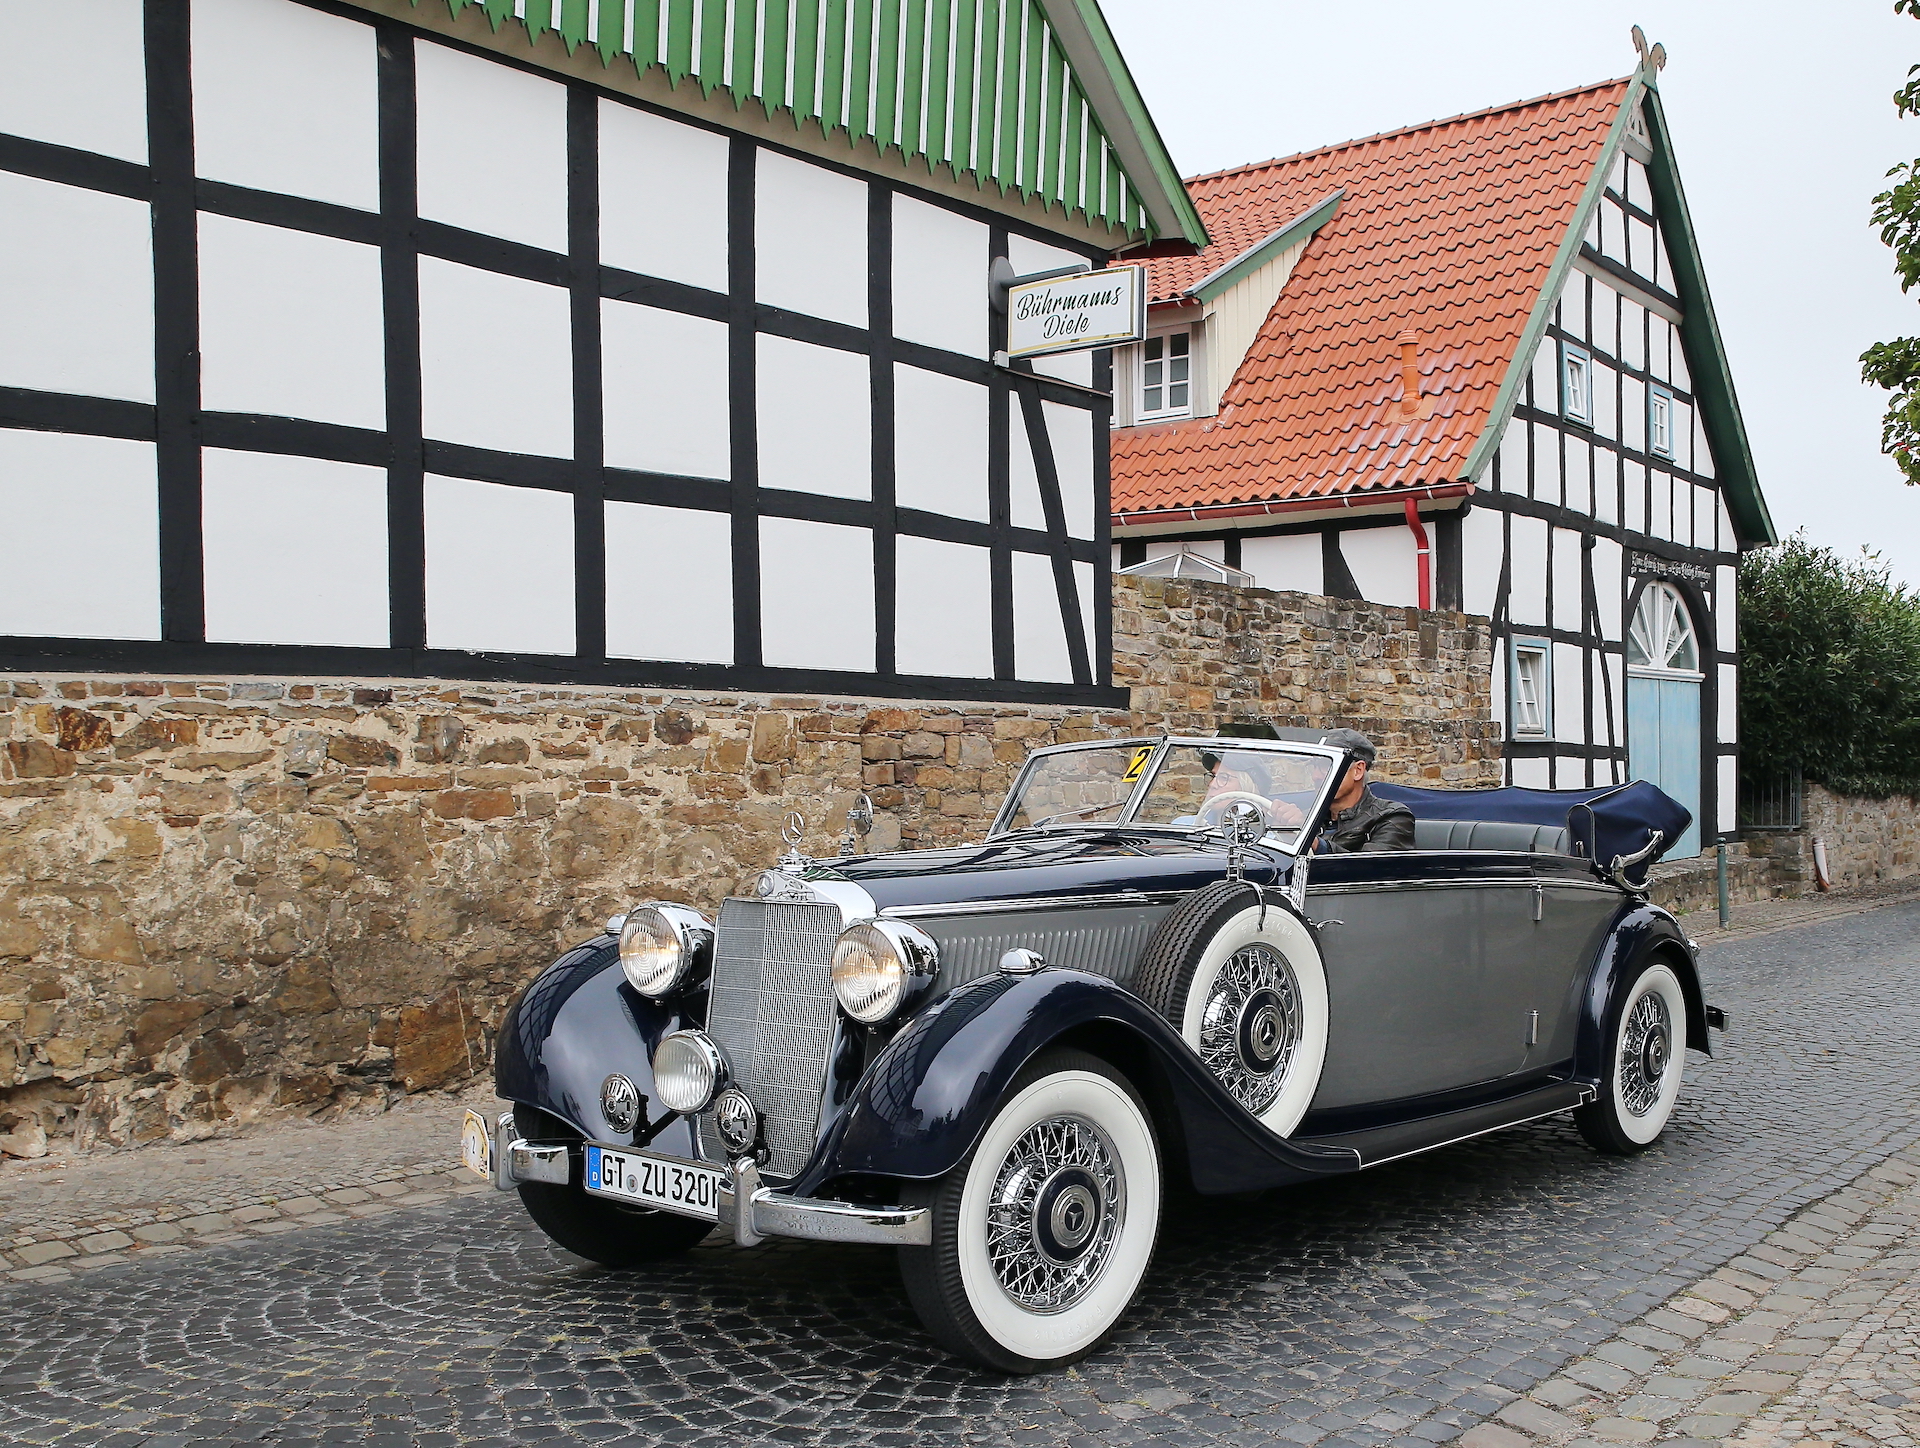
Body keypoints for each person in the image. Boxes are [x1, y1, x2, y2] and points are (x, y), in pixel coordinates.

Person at [1313, 729, 1415, 852]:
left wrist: (1317, 845)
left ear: (1358, 771)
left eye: (1326, 765)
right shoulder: (1309, 816)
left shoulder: (1392, 816)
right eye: (1314, 765)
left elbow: (1373, 863)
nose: (1315, 775)